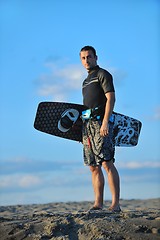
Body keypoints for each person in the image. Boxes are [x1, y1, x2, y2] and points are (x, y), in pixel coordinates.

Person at [80, 46, 121, 212]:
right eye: (83, 58)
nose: (86, 60)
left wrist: (105, 122)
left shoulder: (103, 74)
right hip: (87, 125)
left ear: (96, 57)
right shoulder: (85, 81)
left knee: (106, 162)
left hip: (101, 123)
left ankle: (115, 204)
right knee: (93, 166)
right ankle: (98, 203)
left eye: (89, 57)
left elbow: (111, 98)